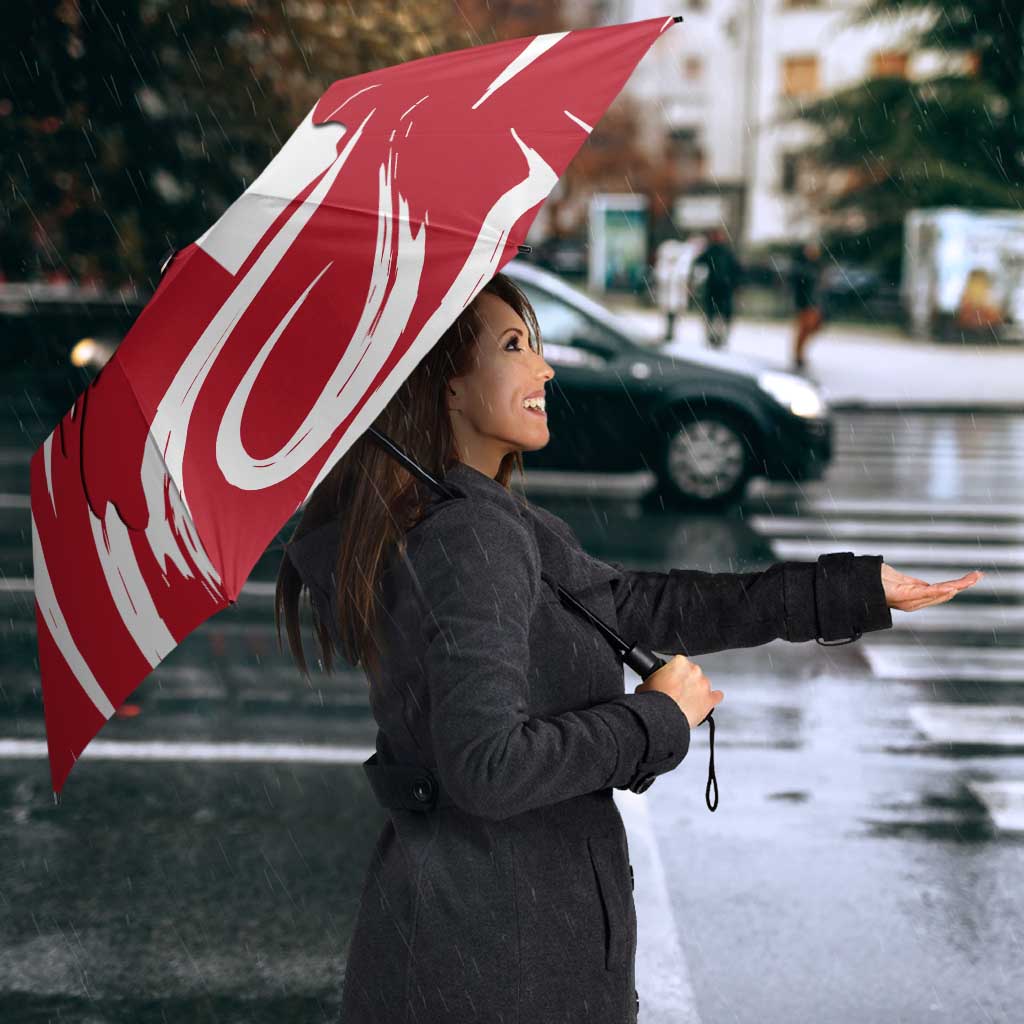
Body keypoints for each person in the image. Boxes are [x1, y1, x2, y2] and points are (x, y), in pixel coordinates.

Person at [275, 271, 979, 1024]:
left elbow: (640, 605)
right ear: (445, 386)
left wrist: (850, 591)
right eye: (514, 346)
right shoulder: (469, 536)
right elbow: (487, 767)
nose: (544, 368)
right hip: (498, 962)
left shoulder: (477, 517)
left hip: (479, 942)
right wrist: (655, 719)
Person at [692, 226, 742, 349]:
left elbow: (736, 270)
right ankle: (713, 337)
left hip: (723, 288)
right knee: (713, 314)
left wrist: (735, 284)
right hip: (715, 288)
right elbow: (698, 264)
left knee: (720, 315)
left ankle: (719, 337)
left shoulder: (725, 252)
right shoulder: (712, 251)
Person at [790, 239, 826, 370]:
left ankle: (799, 354)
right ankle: (798, 355)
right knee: (804, 329)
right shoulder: (802, 267)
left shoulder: (817, 266)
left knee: (812, 328)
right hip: (805, 303)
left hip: (814, 303)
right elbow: (799, 286)